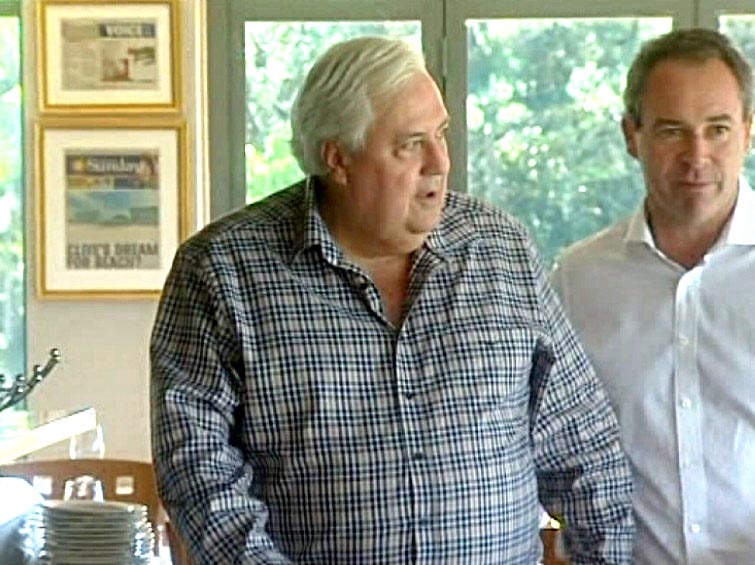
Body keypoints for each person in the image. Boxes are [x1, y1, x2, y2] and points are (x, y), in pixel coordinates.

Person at [150, 36, 634, 564]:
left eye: (441, 134)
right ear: (339, 158)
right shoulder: (223, 272)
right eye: (410, 144)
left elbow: (585, 448)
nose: (440, 162)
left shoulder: (500, 252)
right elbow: (198, 476)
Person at [551, 28, 755, 565]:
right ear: (630, 135)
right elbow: (530, 439)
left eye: (718, 129)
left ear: (749, 133)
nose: (697, 155)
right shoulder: (578, 280)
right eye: (671, 131)